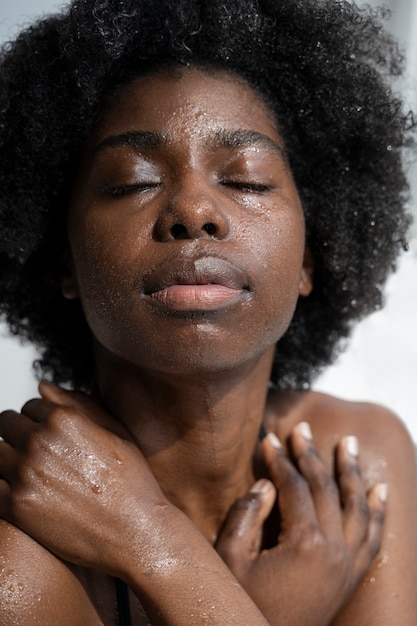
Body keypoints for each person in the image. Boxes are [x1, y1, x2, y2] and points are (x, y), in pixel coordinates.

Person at [0, 0, 416, 624]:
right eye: (132, 181)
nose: (194, 211)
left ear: (312, 257)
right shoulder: (18, 563)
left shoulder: (355, 464)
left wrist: (155, 544)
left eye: (247, 180)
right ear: (63, 261)